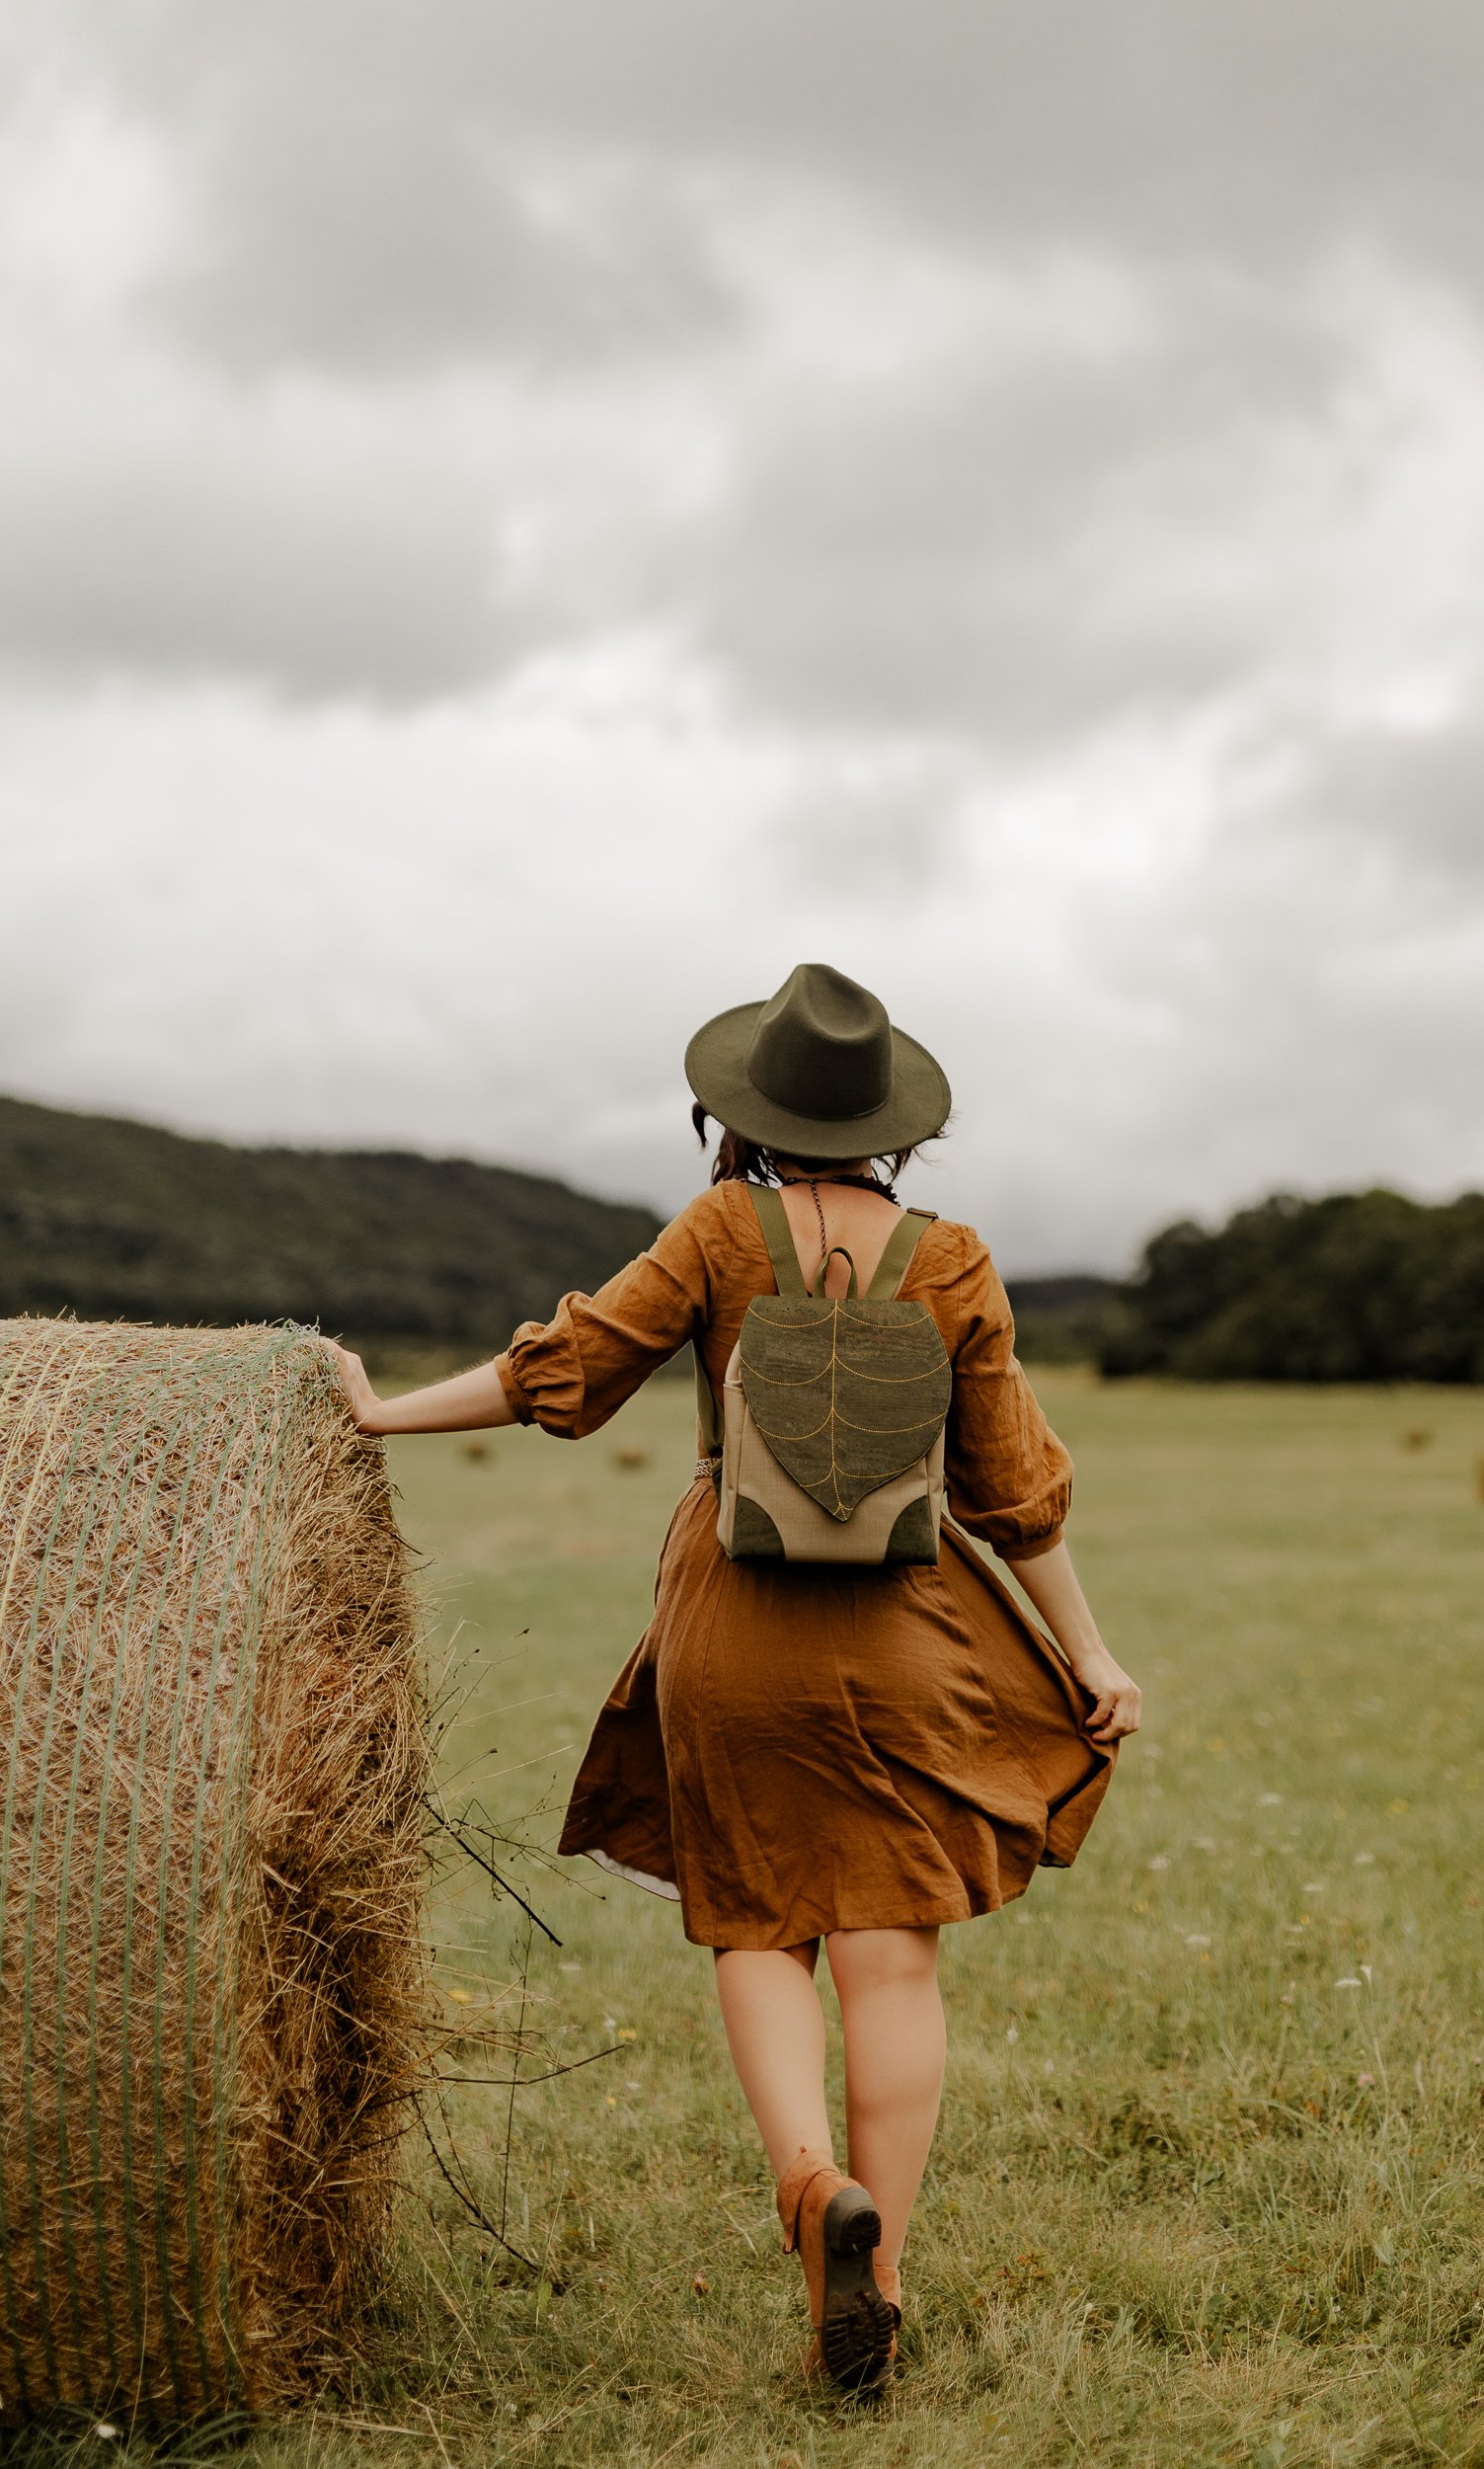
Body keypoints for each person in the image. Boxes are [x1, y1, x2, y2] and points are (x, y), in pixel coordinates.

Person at [329, 963, 1139, 2395]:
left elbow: (563, 1375)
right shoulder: (950, 1260)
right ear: (892, 1129)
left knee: (761, 1928)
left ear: (748, 1110)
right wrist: (1088, 1654)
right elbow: (1018, 1494)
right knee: (894, 1954)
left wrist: (382, 1411)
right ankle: (877, 2281)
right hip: (908, 1630)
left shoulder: (717, 1229)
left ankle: (810, 2187)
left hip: (732, 1627)